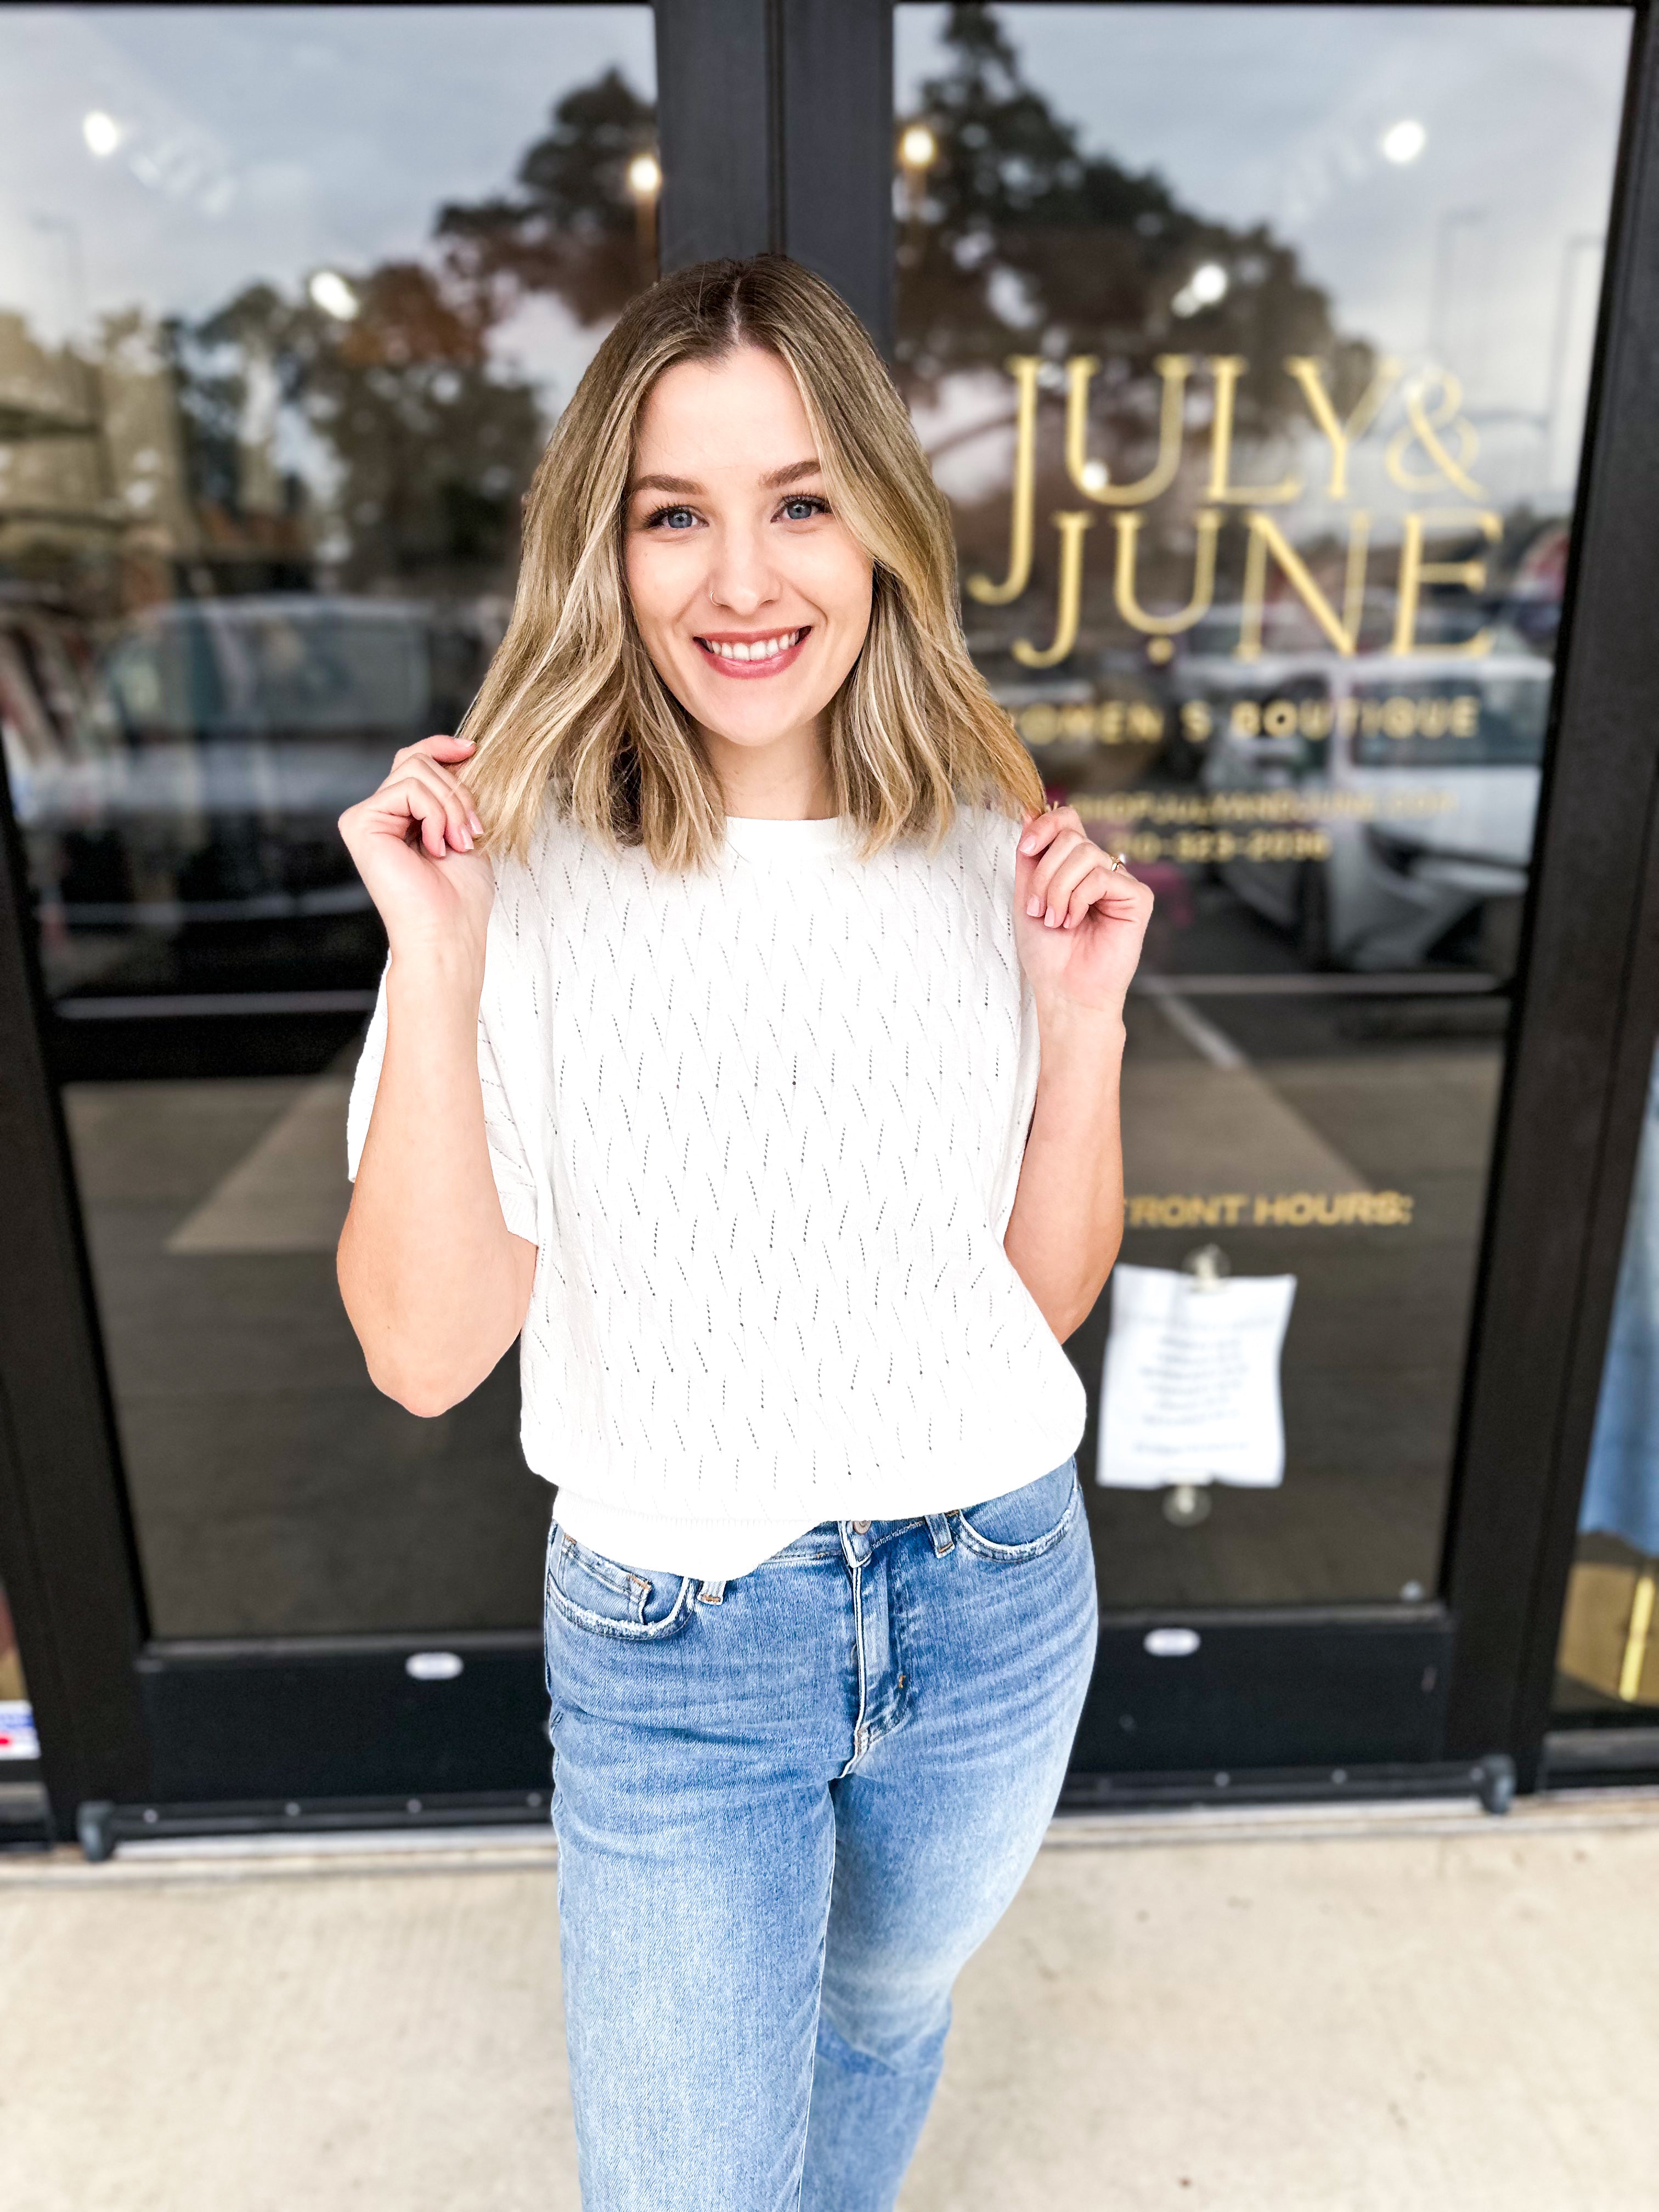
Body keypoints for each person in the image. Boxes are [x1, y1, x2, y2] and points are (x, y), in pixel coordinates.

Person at [337, 255, 1152, 2212]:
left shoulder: (983, 831)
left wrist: (1082, 1032)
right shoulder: (505, 872)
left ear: (875, 517)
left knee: (879, 2008)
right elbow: (428, 1352)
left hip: (996, 1585)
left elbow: (1029, 1301)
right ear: (597, 554)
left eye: (798, 501)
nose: (743, 580)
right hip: (677, 1638)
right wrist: (437, 970)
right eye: (673, 516)